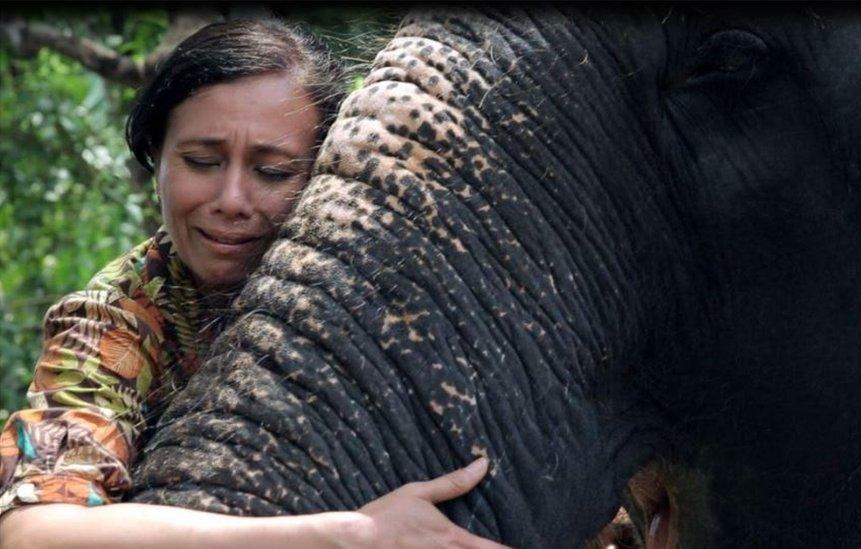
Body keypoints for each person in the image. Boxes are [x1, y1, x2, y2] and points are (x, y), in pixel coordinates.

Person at [0, 19, 505, 549]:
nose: (232, 200)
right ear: (157, 161)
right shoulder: (119, 321)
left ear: (330, 174)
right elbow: (35, 532)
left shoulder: (388, 275)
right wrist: (348, 536)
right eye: (201, 162)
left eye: (273, 172)